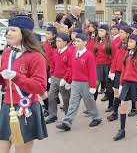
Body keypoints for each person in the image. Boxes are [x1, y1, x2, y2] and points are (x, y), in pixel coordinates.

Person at [0, 15, 48, 153]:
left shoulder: (35, 56)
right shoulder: (7, 53)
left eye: (13, 30)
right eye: (8, 30)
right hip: (7, 106)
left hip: (25, 109)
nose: (8, 33)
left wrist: (16, 77)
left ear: (24, 33)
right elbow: (3, 80)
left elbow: (39, 87)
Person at [56, 32, 102, 131]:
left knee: (89, 101)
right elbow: (72, 68)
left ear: (85, 42)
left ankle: (96, 117)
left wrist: (93, 86)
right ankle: (67, 122)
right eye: (75, 41)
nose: (76, 43)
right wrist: (68, 81)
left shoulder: (89, 55)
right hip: (75, 82)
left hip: (85, 83)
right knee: (73, 103)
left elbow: (92, 72)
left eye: (78, 41)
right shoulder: (74, 54)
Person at [113, 34, 137, 141]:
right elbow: (124, 70)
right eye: (129, 42)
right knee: (123, 104)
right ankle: (122, 130)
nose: (129, 43)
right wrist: (120, 83)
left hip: (136, 83)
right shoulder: (127, 53)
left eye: (132, 42)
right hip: (126, 83)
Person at [45, 33, 72, 124]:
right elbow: (52, 64)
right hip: (55, 78)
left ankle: (68, 116)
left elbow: (70, 67)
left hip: (63, 79)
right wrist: (51, 75)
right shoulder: (55, 51)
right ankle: (53, 115)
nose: (57, 43)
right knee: (51, 96)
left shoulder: (69, 52)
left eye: (59, 41)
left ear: (65, 42)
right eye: (56, 41)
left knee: (66, 98)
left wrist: (66, 79)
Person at [107, 25, 131, 122]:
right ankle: (115, 112)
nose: (119, 34)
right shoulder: (118, 44)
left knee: (131, 95)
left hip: (128, 73)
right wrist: (112, 71)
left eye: (122, 32)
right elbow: (115, 59)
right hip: (118, 71)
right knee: (116, 92)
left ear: (128, 34)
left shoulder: (132, 45)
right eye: (119, 32)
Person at [93, 24, 114, 112]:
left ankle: (111, 105)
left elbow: (113, 57)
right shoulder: (98, 41)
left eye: (102, 31)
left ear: (106, 32)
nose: (100, 32)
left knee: (108, 87)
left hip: (107, 66)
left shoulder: (110, 42)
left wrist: (112, 70)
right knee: (95, 85)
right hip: (98, 66)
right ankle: (92, 105)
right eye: (99, 31)